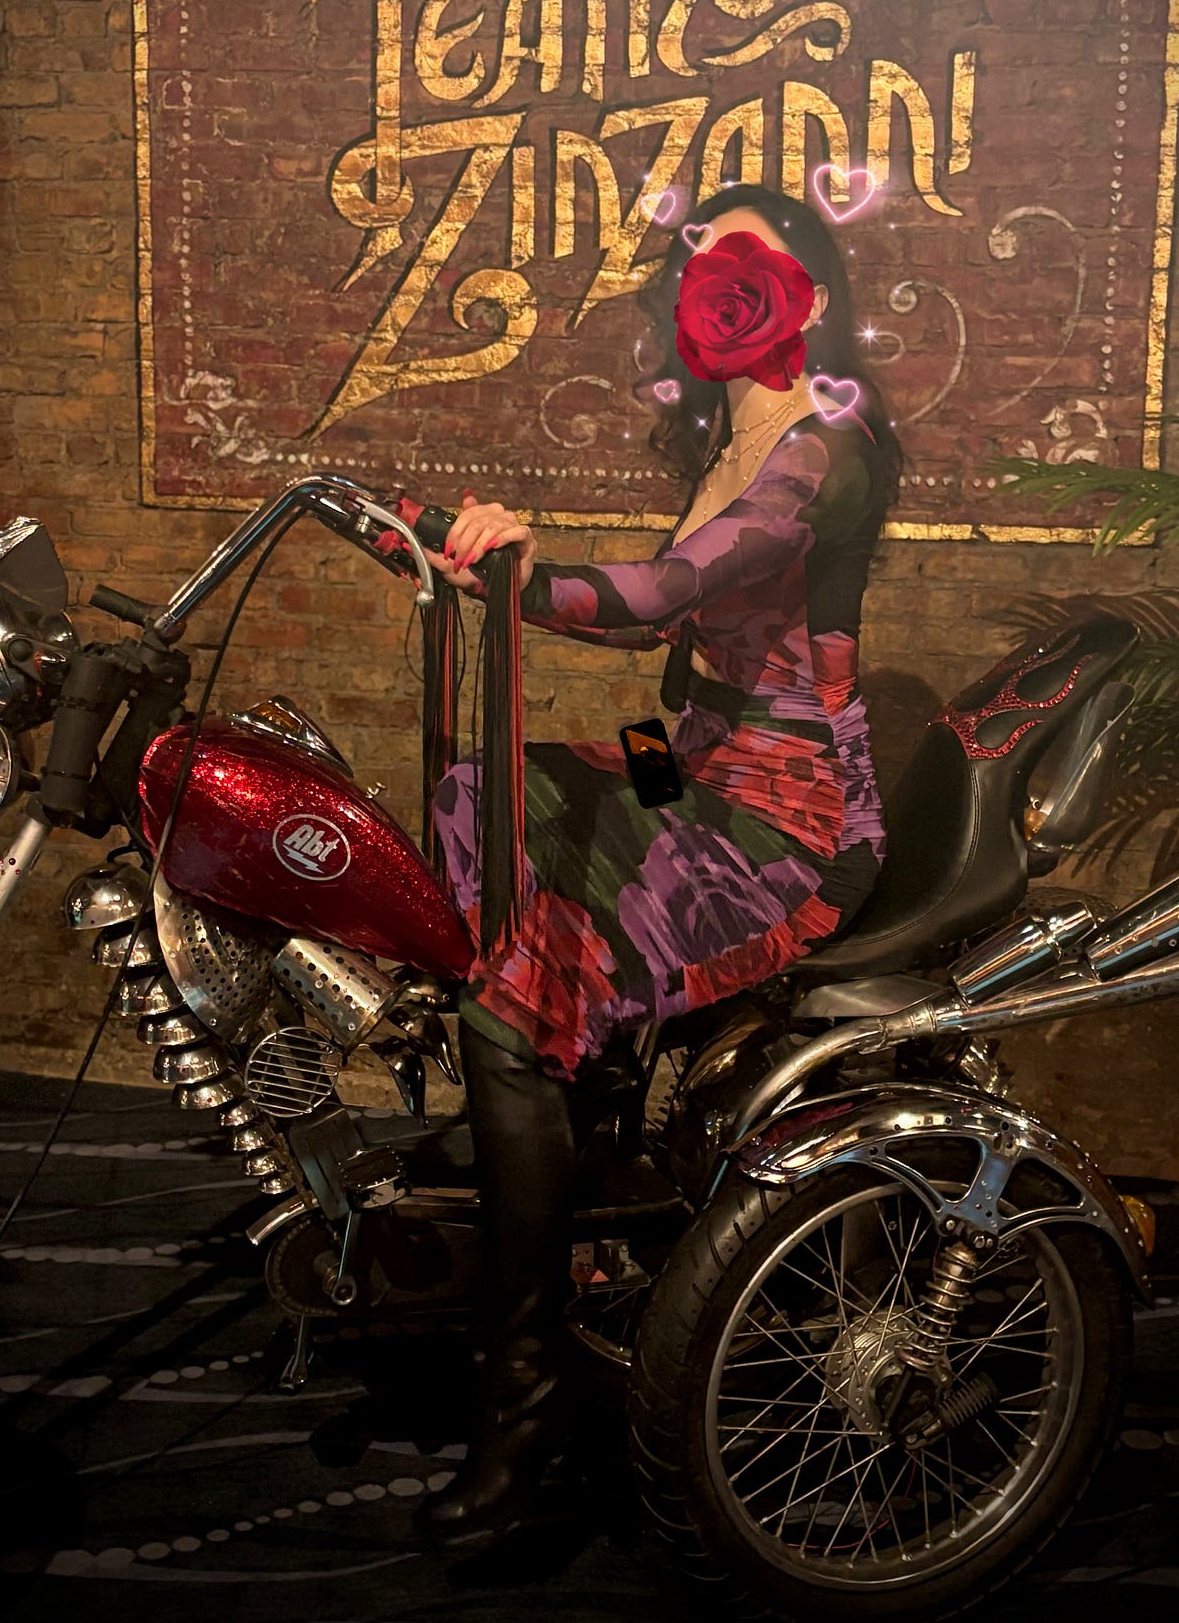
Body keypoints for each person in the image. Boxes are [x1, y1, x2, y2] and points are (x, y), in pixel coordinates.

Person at [410, 182, 903, 1543]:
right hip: (683, 752)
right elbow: (669, 657)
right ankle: (583, 1095)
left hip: (786, 821)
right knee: (486, 792)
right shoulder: (730, 429)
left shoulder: (823, 443)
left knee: (510, 1004)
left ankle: (527, 1387)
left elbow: (675, 590)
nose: (728, 293)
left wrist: (530, 574)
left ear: (803, 289)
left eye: (757, 268)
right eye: (711, 271)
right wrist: (455, 549)